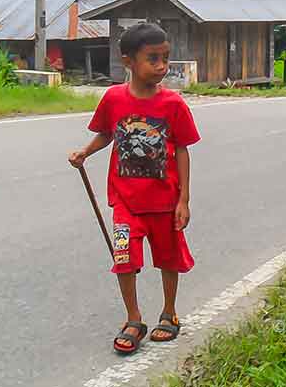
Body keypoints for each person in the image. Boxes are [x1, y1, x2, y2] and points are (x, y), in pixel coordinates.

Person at [68, 23, 201, 355]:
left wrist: (183, 198)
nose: (161, 66)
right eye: (152, 58)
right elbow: (106, 133)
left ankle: (169, 313)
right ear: (128, 61)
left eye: (165, 58)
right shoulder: (113, 98)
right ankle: (134, 318)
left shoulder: (173, 104)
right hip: (126, 202)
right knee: (124, 258)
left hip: (165, 202)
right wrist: (85, 151)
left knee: (169, 259)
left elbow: (182, 149)